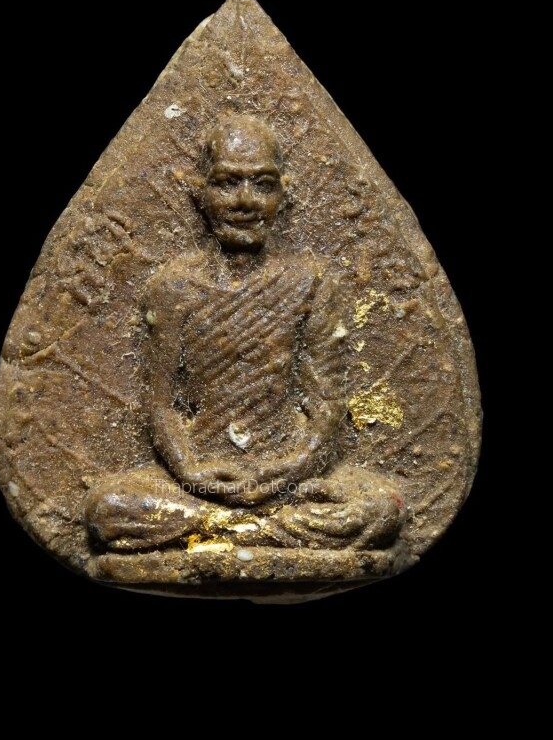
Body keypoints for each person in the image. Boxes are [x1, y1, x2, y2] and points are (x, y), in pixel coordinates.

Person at [83, 115, 405, 551]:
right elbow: (160, 405)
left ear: (284, 193)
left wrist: (296, 465)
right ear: (200, 192)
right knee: (107, 508)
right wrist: (190, 470)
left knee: (383, 509)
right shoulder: (174, 286)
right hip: (197, 483)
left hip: (290, 481)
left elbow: (326, 404)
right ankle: (256, 533)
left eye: (263, 185)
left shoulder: (311, 281)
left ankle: (218, 533)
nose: (245, 201)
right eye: (227, 183)